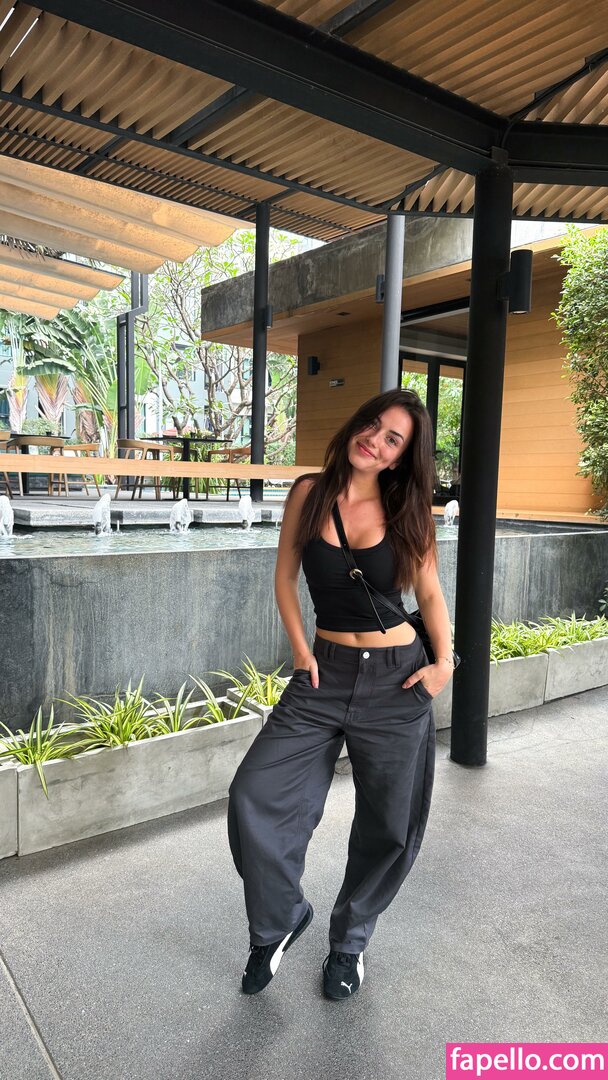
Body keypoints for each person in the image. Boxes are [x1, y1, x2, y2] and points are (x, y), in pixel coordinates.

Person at [227, 388, 456, 1000]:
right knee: (255, 792)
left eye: (392, 439)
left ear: (401, 457)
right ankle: (281, 918)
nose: (374, 441)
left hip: (397, 678)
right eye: (372, 425)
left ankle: (350, 943)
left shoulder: (407, 511)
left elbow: (430, 594)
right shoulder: (309, 493)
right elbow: (284, 576)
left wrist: (443, 666)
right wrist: (301, 649)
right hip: (322, 674)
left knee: (389, 822)